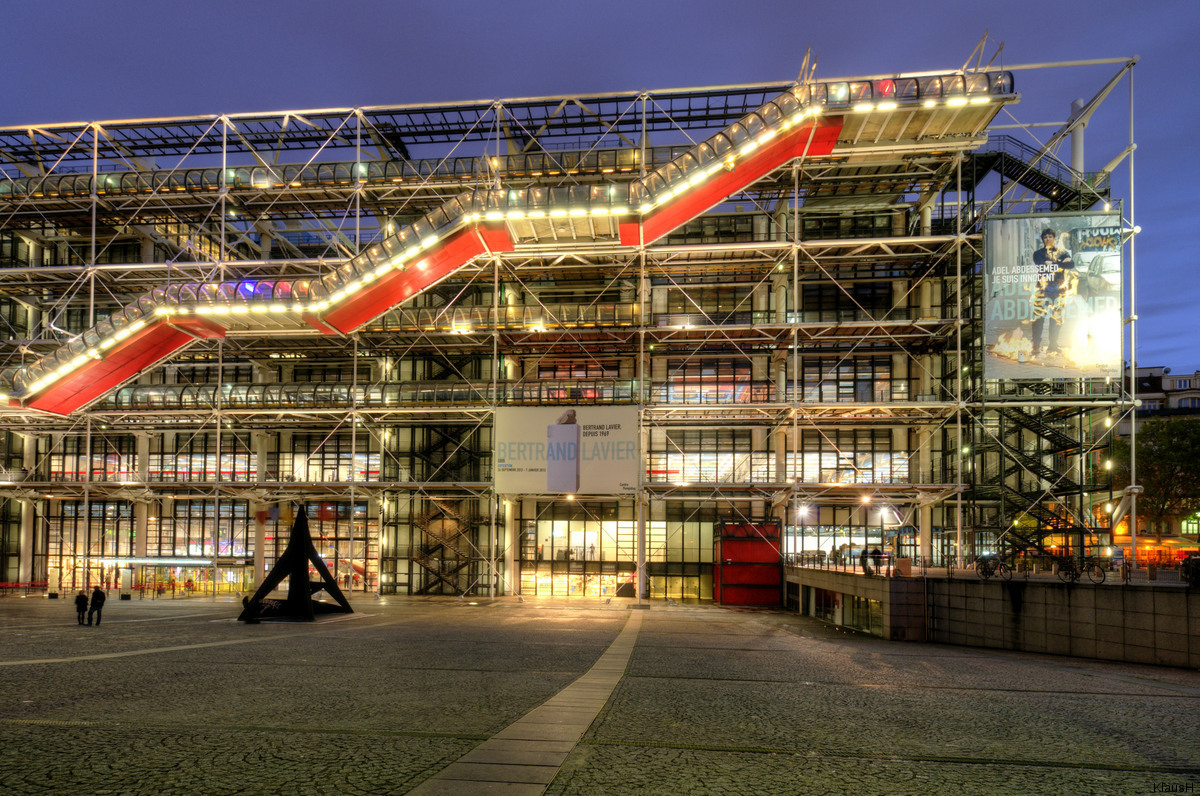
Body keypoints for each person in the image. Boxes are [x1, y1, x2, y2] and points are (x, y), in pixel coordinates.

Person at [1029, 227, 1076, 357]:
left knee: (1056, 318)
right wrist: (1061, 263)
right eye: (1045, 237)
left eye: (1050, 236)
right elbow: (1041, 265)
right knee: (1039, 317)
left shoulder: (1062, 252)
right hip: (1043, 288)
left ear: (1054, 238)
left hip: (1059, 289)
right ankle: (1036, 345)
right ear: (1043, 240)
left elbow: (1071, 264)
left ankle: (1053, 345)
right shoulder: (1038, 253)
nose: (1048, 239)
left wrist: (1054, 263)